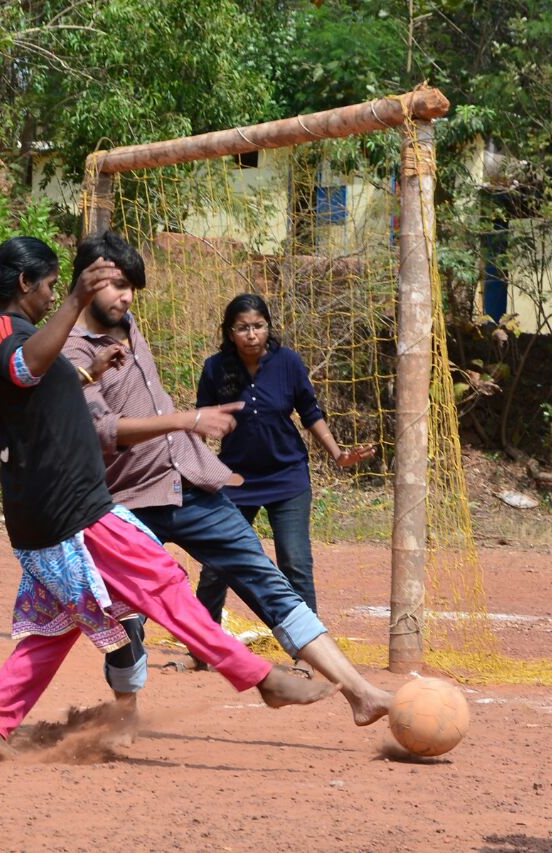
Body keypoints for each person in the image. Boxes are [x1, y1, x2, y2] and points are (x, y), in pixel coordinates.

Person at [0, 237, 334, 761]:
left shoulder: (19, 337)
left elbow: (32, 392)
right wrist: (74, 302)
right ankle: (258, 676)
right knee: (161, 579)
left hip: (42, 509)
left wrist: (90, 372)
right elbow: (22, 369)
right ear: (24, 285)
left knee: (62, 620)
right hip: (72, 506)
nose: (51, 297)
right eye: (48, 287)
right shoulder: (5, 330)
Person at [61, 231, 391, 726]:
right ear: (85, 282)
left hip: (189, 482)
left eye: (131, 286)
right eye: (114, 285)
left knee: (270, 581)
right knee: (125, 614)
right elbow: (102, 431)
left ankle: (361, 694)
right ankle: (124, 715)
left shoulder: (127, 322)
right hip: (124, 502)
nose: (126, 296)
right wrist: (187, 420)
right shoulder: (70, 351)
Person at [195, 293, 375, 625]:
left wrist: (338, 454)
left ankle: (309, 649)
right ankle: (203, 647)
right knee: (216, 563)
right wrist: (200, 469)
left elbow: (310, 412)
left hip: (287, 477)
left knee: (294, 562)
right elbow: (200, 424)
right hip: (236, 480)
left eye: (258, 326)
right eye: (242, 328)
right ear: (229, 331)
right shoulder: (215, 368)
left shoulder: (288, 362)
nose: (251, 335)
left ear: (268, 327)